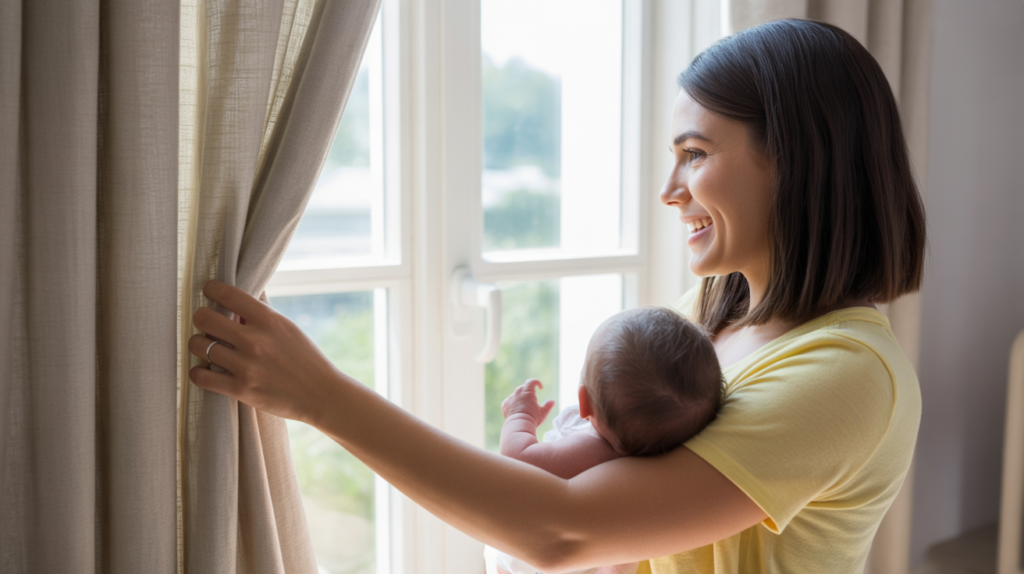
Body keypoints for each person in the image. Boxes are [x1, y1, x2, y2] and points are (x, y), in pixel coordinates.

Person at [187, 19, 925, 573]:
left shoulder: (850, 376)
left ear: (797, 161)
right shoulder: (711, 318)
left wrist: (320, 396)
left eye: (695, 155)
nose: (670, 193)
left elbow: (562, 530)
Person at [488, 307, 724, 574]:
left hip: (535, 559)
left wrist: (520, 416)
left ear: (584, 404)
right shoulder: (659, 465)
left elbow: (519, 462)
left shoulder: (590, 449)